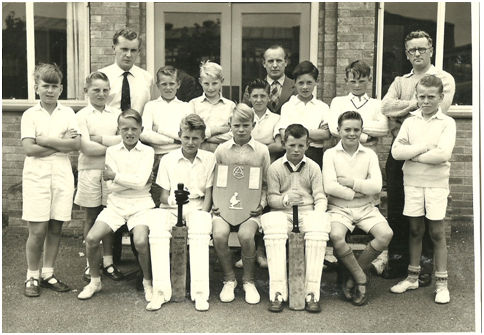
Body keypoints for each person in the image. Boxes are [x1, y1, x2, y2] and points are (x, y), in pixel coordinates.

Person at [381, 30, 455, 282]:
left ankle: (424, 266)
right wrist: (410, 105)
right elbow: (385, 106)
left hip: (427, 155)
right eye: (412, 50)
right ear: (406, 53)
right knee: (400, 209)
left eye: (421, 49)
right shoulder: (401, 81)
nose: (417, 54)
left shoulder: (443, 78)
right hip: (400, 153)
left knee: (427, 215)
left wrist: (400, 116)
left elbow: (435, 113)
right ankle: (399, 262)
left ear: (431, 50)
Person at [389, 75, 455, 304]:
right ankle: (412, 277)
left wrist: (413, 154)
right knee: (415, 229)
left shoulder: (447, 123)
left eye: (431, 97)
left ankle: (442, 284)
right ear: (416, 97)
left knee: (436, 232)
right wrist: (426, 148)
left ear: (440, 97)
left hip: (436, 184)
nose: (426, 101)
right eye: (421, 96)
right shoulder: (410, 121)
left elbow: (443, 154)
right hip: (412, 183)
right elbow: (397, 153)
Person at [77, 109, 155, 302]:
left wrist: (117, 177)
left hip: (141, 206)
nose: (129, 133)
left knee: (140, 241)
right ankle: (95, 281)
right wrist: (129, 182)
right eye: (125, 129)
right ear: (119, 130)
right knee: (92, 238)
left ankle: (147, 282)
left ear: (141, 129)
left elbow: (140, 183)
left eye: (134, 129)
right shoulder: (111, 151)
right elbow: (111, 186)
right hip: (116, 205)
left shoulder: (148, 151)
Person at [21, 63, 81, 297]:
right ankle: (32, 276)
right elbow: (29, 149)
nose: (50, 90)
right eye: (45, 86)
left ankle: (48, 273)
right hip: (36, 177)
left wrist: (44, 140)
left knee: (56, 227)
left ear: (61, 89)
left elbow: (75, 145)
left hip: (62, 176)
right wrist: (59, 143)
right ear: (37, 88)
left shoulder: (68, 113)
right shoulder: (30, 115)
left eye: (54, 86)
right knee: (37, 231)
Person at [323, 111, 393, 306]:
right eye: (347, 129)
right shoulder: (330, 154)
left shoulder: (369, 154)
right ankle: (361, 278)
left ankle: (354, 273)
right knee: (336, 236)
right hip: (339, 208)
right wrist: (359, 191)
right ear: (338, 131)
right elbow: (329, 186)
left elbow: (376, 186)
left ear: (362, 131)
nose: (351, 133)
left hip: (366, 207)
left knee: (385, 234)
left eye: (356, 129)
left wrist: (350, 182)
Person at [147, 113, 216, 312]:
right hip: (170, 206)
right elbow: (162, 196)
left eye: (195, 138)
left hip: (197, 205)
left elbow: (210, 193)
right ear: (179, 135)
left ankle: (200, 293)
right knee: (158, 229)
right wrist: (173, 200)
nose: (190, 142)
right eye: (186, 137)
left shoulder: (210, 158)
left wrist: (203, 213)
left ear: (202, 138)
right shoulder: (168, 159)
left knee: (200, 231)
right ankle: (160, 292)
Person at [261, 124, 330, 313]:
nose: (296, 150)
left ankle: (311, 293)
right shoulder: (275, 168)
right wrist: (285, 200)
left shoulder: (314, 167)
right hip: (283, 213)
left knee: (317, 231)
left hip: (307, 212)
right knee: (274, 230)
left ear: (308, 145)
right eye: (292, 145)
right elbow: (271, 198)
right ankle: (278, 293)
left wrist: (319, 213)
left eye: (301, 145)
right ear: (284, 144)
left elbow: (320, 196)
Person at [328, 60, 389, 274]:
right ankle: (344, 263)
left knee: (370, 193)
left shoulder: (376, 103)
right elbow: (333, 128)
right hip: (343, 159)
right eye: (352, 81)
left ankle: (356, 269)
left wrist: (357, 129)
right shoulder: (338, 101)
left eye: (362, 81)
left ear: (369, 81)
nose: (357, 85)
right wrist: (365, 135)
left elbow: (384, 128)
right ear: (346, 80)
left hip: (365, 158)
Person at [212, 104, 270, 305]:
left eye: (246, 125)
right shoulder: (221, 150)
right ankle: (229, 279)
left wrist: (261, 204)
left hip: (251, 209)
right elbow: (216, 181)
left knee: (246, 236)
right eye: (237, 125)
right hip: (224, 207)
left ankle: (248, 281)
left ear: (253, 124)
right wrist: (216, 204)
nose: (241, 129)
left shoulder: (262, 151)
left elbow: (265, 184)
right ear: (230, 125)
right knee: (219, 235)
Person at [75, 71, 123, 283]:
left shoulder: (115, 115)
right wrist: (111, 145)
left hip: (109, 172)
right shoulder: (81, 116)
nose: (101, 94)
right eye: (96, 90)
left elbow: (124, 141)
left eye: (105, 90)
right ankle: (90, 264)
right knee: (91, 217)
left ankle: (108, 262)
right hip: (89, 171)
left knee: (109, 217)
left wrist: (101, 141)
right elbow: (86, 148)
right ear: (87, 91)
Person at [140, 65, 190, 207]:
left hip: (179, 156)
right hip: (158, 157)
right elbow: (144, 134)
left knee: (180, 192)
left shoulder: (185, 107)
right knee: (158, 193)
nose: (168, 88)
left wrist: (160, 130)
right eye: (164, 84)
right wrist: (176, 139)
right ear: (157, 85)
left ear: (178, 84)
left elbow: (188, 134)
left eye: (172, 84)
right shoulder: (151, 106)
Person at [277, 61, 331, 169]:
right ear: (295, 83)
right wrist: (313, 133)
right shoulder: (288, 106)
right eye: (301, 83)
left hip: (315, 155)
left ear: (316, 82)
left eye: (309, 82)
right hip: (291, 154)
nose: (305, 87)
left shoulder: (323, 107)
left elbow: (326, 134)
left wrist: (295, 131)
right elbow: (284, 134)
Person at [99, 28, 153, 114]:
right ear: (114, 49)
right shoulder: (101, 77)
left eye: (133, 50)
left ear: (139, 52)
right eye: (124, 49)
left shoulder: (147, 78)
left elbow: (150, 111)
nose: (128, 55)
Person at [189, 61, 235, 152]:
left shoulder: (230, 106)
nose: (210, 88)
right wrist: (218, 130)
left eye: (214, 83)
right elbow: (191, 132)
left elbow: (233, 134)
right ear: (200, 82)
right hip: (199, 153)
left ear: (222, 81)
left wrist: (206, 138)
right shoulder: (193, 104)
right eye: (206, 84)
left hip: (224, 152)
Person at [242, 45, 296, 115]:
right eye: (271, 61)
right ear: (264, 63)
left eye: (278, 61)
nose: (275, 65)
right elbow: (244, 115)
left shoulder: (296, 87)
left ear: (286, 62)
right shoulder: (252, 88)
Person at [247, 78, 284, 162]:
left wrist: (253, 149)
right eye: (255, 96)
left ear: (269, 97)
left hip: (268, 164)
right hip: (245, 163)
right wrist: (268, 145)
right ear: (249, 98)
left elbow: (279, 146)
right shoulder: (244, 116)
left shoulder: (277, 118)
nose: (259, 100)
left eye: (263, 96)